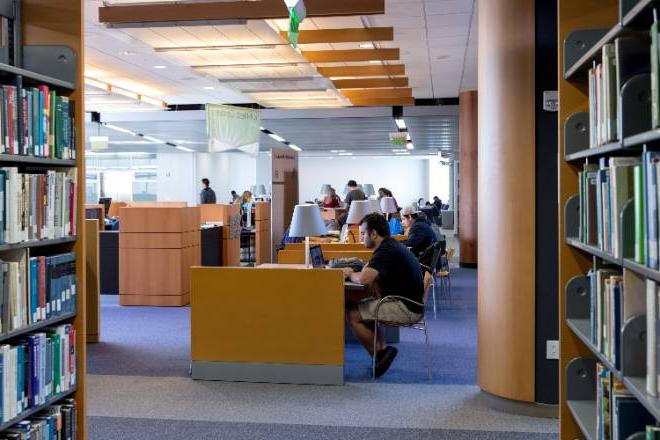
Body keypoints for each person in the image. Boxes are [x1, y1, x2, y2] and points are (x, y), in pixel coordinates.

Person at [343, 213, 424, 378]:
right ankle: (381, 354)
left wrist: (350, 273)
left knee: (353, 314)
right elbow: (369, 272)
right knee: (362, 307)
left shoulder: (386, 249)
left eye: (363, 233)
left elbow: (365, 279)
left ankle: (381, 355)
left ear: (374, 233)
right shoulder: (390, 246)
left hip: (406, 307)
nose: (361, 238)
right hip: (408, 302)